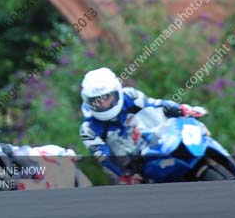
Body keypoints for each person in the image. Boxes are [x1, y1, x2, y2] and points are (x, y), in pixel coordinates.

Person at [79, 67, 207, 184]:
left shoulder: (129, 96)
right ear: (87, 100)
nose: (103, 104)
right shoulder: (88, 129)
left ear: (116, 91)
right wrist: (125, 175)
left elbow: (155, 104)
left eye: (106, 97)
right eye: (96, 100)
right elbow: (104, 158)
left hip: (153, 143)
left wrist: (181, 109)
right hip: (129, 166)